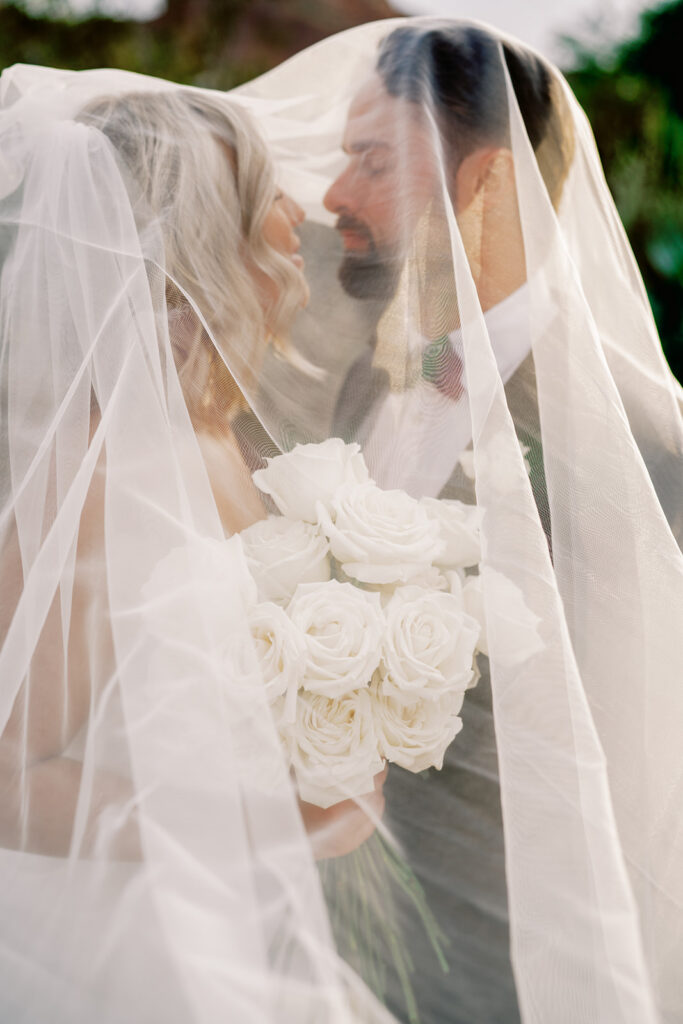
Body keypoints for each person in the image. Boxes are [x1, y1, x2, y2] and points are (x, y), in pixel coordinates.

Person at [237, 15, 683, 1024]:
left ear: (480, 182)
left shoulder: (645, 446)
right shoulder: (375, 379)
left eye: (370, 163)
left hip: (513, 972)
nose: (334, 197)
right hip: (343, 948)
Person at [0, 70, 389, 1023]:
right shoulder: (94, 471)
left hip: (236, 916)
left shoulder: (210, 432)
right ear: (206, 241)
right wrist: (266, 823)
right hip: (123, 950)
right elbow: (8, 779)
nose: (296, 220)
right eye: (265, 205)